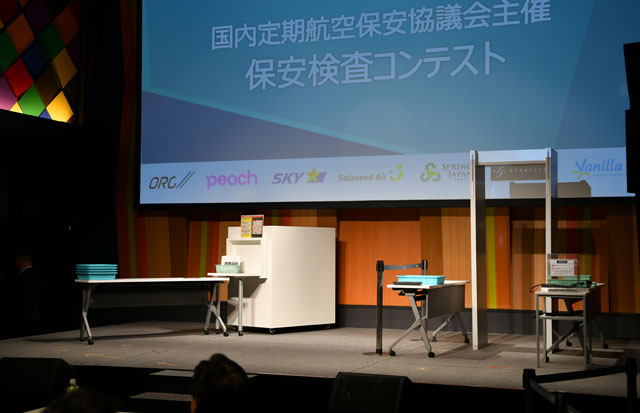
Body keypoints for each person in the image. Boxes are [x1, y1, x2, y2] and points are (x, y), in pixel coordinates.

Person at [16, 252, 46, 335]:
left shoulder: (20, 277)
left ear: (21, 262)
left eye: (17, 263)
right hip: (40, 311)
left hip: (24, 314)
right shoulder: (40, 275)